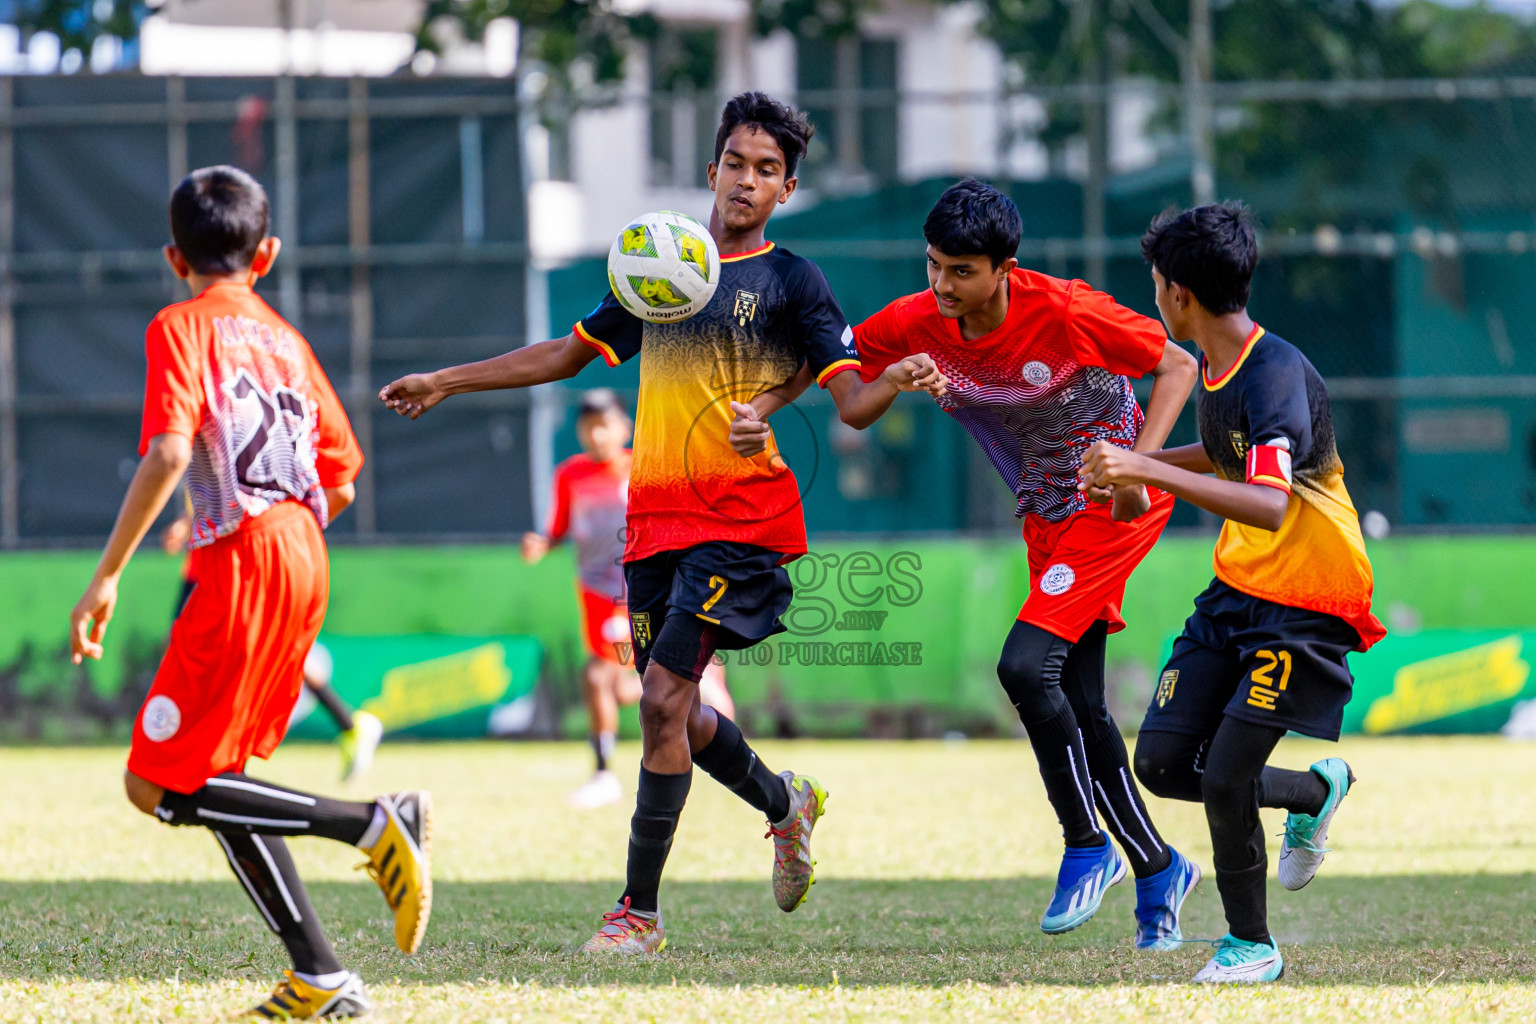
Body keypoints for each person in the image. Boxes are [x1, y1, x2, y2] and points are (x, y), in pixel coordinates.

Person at [380, 91, 945, 956]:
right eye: (736, 164)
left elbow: (853, 404)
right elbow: (564, 355)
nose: (747, 182)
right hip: (653, 525)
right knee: (668, 712)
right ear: (710, 167)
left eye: (768, 171)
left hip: (744, 521)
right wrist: (446, 380)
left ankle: (637, 915)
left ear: (787, 189)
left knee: (658, 698)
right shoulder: (661, 267)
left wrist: (898, 378)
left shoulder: (795, 282)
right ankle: (783, 804)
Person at [741, 178, 1204, 948]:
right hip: (1048, 513)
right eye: (933, 266)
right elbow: (842, 376)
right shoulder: (918, 322)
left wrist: (1138, 468)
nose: (942, 286)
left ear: (1006, 268)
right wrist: (770, 406)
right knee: (1080, 702)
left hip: (1112, 505)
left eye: (962, 271)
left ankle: (1086, 846)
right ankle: (1158, 866)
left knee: (1025, 667)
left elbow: (1178, 368)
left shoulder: (1064, 309)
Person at [68, 166, 432, 1018]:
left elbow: (165, 452)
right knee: (217, 772)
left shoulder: (180, 324)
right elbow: (342, 476)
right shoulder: (287, 339)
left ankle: (374, 823)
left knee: (156, 783)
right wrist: (284, 541)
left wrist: (107, 576)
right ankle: (321, 977)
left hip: (243, 560)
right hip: (304, 549)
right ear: (266, 254)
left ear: (172, 257)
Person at [1079, 201, 1386, 983]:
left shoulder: (1275, 373)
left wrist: (1147, 472)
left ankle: (1252, 946)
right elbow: (1225, 456)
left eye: (1155, 285)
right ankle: (1314, 792)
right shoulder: (1217, 364)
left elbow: (1270, 500)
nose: (1154, 297)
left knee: (1223, 776)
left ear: (1178, 292)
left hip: (1307, 602)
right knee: (1165, 761)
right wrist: (1135, 462)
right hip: (1238, 590)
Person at [522, 388, 736, 808]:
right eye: (588, 425)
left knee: (611, 676)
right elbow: (562, 525)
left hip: (641, 590)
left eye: (605, 423)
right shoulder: (570, 474)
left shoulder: (644, 464)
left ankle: (713, 737)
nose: (597, 433)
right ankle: (609, 771)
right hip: (595, 593)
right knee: (623, 679)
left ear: (624, 426)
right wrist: (543, 542)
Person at [163, 505, 385, 783]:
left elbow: (337, 494)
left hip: (239, 563)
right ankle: (198, 748)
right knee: (203, 653)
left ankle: (349, 725)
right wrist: (185, 525)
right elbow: (205, 497)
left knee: (266, 652)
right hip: (207, 568)